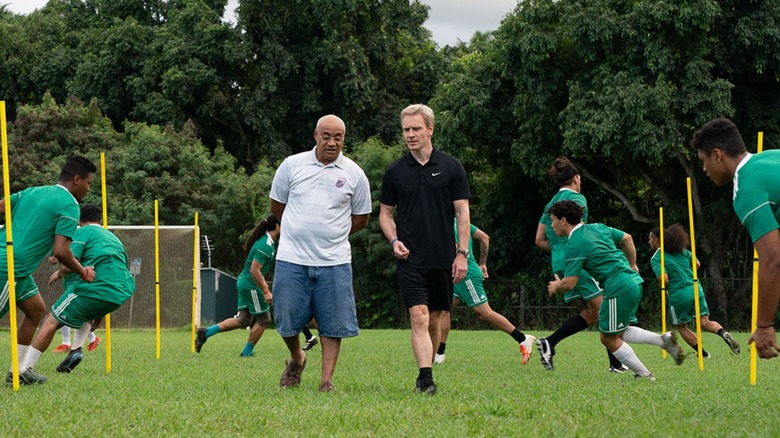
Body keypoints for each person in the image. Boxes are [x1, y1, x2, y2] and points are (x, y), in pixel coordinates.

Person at [270, 114, 371, 392]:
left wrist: (332, 233)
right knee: (286, 318)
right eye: (326, 136)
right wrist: (300, 230)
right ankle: (296, 357)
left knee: (332, 322)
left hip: (335, 261)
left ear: (343, 139)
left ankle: (326, 381)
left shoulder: (354, 174)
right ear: (315, 135)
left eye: (338, 137)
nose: (332, 142)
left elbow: (361, 218)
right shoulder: (292, 165)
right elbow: (277, 206)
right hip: (292, 258)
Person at [379, 103, 474, 395]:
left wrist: (462, 253)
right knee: (418, 315)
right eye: (406, 129)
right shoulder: (395, 171)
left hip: (443, 257)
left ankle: (429, 364)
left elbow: (463, 214)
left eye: (416, 128)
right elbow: (385, 214)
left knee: (435, 319)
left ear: (430, 129)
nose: (410, 134)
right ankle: (425, 378)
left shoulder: (451, 167)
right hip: (410, 259)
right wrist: (394, 241)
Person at [546, 200, 684, 380]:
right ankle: (663, 341)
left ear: (563, 220)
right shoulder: (598, 228)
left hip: (617, 287)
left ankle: (645, 375)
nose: (551, 224)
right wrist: (632, 265)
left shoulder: (573, 244)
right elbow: (627, 238)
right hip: (632, 283)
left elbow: (570, 283)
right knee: (619, 331)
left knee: (607, 339)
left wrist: (556, 286)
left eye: (553, 220)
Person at [0, 155, 97, 386]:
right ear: (76, 179)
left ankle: (20, 370)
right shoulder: (70, 204)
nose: (88, 188)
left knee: (36, 310)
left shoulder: (32, 191)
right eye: (88, 182)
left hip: (20, 270)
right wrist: (84, 272)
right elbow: (61, 251)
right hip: (8, 267)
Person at [691, 117, 780, 359]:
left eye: (704, 161)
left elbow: (772, 259)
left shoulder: (746, 188)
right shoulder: (770, 157)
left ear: (717, 155)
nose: (704, 169)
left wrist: (763, 326)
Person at [19, 204, 135, 382]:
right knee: (86, 311)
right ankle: (76, 349)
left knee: (50, 321)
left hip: (96, 287)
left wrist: (58, 273)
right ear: (100, 219)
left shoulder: (82, 232)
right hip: (122, 289)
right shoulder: (113, 237)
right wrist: (102, 309)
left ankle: (23, 369)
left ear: (79, 220)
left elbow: (68, 264)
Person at [534, 157, 626, 372]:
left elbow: (539, 239)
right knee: (607, 311)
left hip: (559, 264)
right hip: (578, 263)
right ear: (576, 178)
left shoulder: (550, 204)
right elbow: (582, 235)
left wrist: (559, 251)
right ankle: (616, 364)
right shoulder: (578, 200)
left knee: (590, 315)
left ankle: (549, 343)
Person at [434, 219, 536, 365]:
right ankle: (439, 354)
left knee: (484, 313)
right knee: (444, 310)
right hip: (456, 273)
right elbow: (484, 237)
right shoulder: (460, 222)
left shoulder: (443, 224)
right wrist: (482, 264)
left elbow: (454, 248)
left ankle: (523, 339)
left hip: (465, 275)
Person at [649, 224, 741, 357]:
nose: (649, 241)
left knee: (681, 327)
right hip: (696, 289)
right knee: (705, 322)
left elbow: (664, 278)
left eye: (650, 239)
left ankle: (703, 354)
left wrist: (667, 287)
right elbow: (697, 264)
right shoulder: (681, 250)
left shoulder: (657, 257)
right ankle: (723, 333)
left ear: (657, 240)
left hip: (678, 293)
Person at [196, 215, 280, 357]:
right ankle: (247, 353)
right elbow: (255, 270)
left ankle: (206, 332)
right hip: (251, 284)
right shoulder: (265, 245)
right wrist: (266, 290)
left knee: (243, 320)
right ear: (277, 226)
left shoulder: (268, 243)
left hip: (245, 282)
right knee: (264, 319)